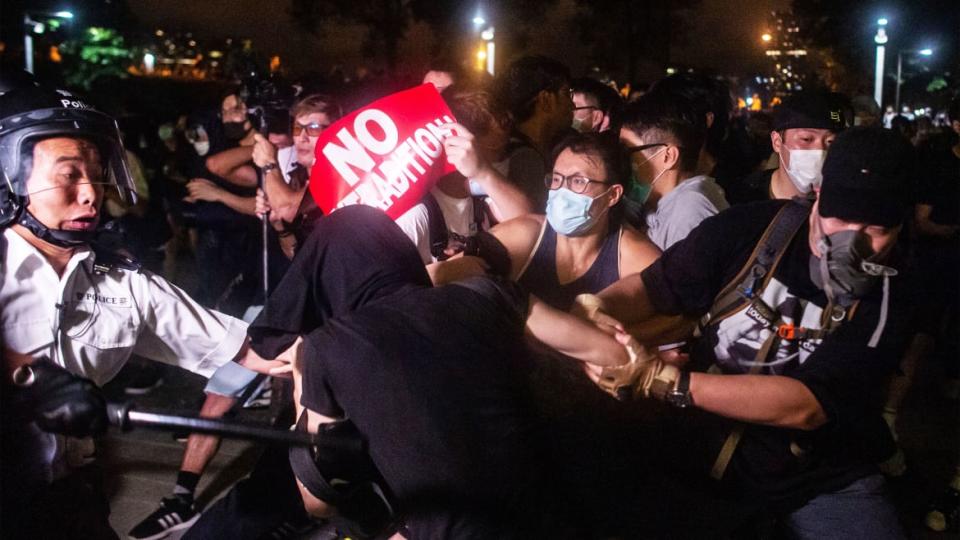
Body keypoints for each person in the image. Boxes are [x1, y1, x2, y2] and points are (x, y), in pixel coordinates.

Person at [572, 127, 916, 539]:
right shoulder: (748, 229)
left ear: (899, 228)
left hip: (816, 473)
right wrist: (599, 306)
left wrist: (664, 381)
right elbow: (653, 288)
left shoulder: (897, 293)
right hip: (701, 441)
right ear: (819, 198)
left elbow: (808, 406)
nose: (851, 244)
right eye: (839, 219)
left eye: (874, 230)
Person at [0, 82, 287, 539]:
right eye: (69, 174)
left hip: (73, 501)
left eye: (96, 173)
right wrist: (29, 378)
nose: (91, 194)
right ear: (8, 178)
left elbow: (254, 350)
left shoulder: (121, 280)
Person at [243, 205, 629, 538]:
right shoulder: (487, 293)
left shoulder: (326, 348)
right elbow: (612, 353)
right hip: (559, 520)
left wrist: (300, 382)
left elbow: (318, 501)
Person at [432, 132, 660, 312]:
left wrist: (630, 342)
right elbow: (468, 264)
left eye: (578, 181)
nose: (562, 191)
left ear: (613, 195)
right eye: (557, 179)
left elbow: (680, 318)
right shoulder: (526, 234)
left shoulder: (633, 255)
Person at [619, 91, 728, 250]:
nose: (622, 159)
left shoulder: (691, 211)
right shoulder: (662, 202)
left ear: (668, 156)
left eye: (628, 151)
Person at [727, 90, 849, 206]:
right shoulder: (741, 197)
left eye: (831, 141)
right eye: (806, 139)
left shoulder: (847, 202)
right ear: (777, 142)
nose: (820, 150)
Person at [492, 55, 574, 211]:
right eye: (566, 94)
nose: (572, 104)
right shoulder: (525, 159)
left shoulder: (507, 146)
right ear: (545, 99)